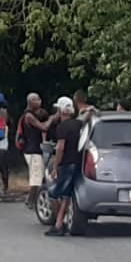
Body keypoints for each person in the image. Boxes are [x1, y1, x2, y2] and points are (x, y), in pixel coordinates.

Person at [46, 97, 83, 236]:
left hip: (66, 163)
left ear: (61, 110)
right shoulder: (79, 124)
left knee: (54, 194)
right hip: (78, 162)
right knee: (66, 195)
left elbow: (60, 148)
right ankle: (60, 222)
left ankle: (58, 223)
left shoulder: (62, 127)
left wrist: (55, 166)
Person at [21, 93, 57, 210]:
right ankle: (31, 201)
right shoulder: (29, 116)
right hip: (33, 151)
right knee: (36, 178)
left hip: (35, 150)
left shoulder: (33, 115)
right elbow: (44, 127)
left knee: (37, 176)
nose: (40, 102)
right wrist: (51, 119)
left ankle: (31, 200)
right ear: (31, 102)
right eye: (37, 100)